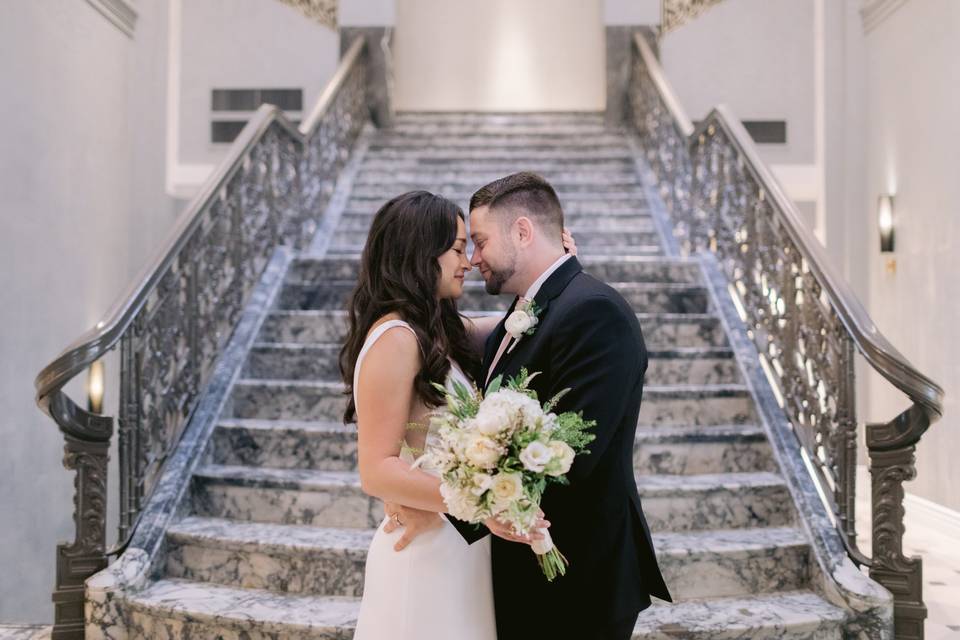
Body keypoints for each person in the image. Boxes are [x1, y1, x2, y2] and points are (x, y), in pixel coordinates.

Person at [385, 172, 672, 640]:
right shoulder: (526, 314)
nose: (474, 260)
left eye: (478, 242)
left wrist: (448, 503)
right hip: (529, 571)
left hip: (576, 578)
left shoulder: (595, 312)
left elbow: (569, 458)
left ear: (522, 231)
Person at [341, 189, 577, 640]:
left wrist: (555, 268)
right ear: (418, 253)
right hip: (424, 557)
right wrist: (480, 506)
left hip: (456, 548)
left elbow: (519, 322)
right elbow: (376, 470)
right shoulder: (395, 339)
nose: (468, 260)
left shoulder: (431, 333)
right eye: (455, 248)